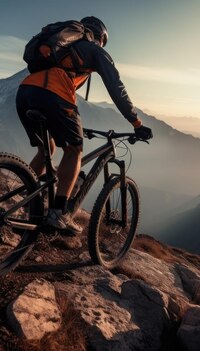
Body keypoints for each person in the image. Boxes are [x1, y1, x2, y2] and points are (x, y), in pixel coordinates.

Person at [16, 16, 152, 235]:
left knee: (46, 148)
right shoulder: (94, 50)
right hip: (53, 94)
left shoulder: (61, 48)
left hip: (25, 92)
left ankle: (25, 197)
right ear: (100, 37)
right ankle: (58, 213)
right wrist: (136, 122)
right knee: (74, 151)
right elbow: (117, 88)